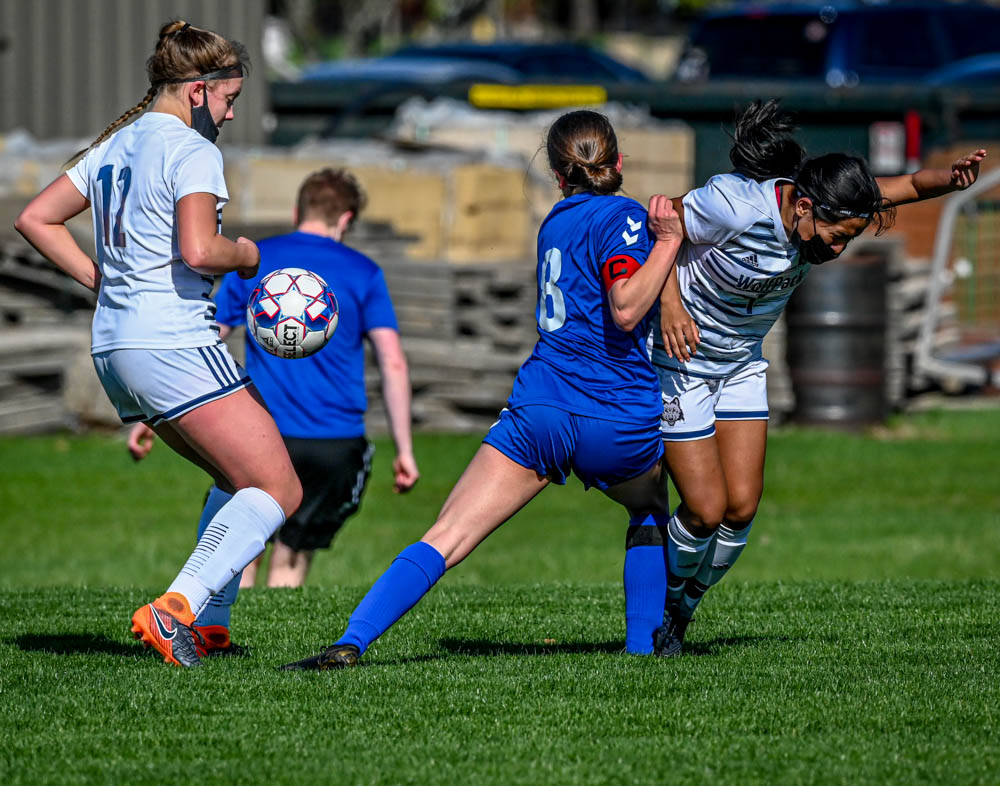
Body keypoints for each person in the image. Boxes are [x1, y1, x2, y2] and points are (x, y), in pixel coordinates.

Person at [281, 109, 686, 670]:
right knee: (649, 506)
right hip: (614, 415)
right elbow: (624, 307)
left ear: (555, 172)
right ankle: (643, 650)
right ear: (618, 162)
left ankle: (351, 641)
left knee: (446, 535)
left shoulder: (555, 222)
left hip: (540, 409)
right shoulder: (624, 216)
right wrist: (668, 242)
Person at [646, 100, 986, 656]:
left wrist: (950, 178)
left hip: (740, 366)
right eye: (833, 235)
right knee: (705, 509)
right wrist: (668, 304)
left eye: (849, 238)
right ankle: (660, 609)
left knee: (741, 509)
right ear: (802, 206)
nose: (836, 247)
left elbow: (906, 187)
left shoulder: (831, 210)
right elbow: (654, 225)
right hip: (680, 364)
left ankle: (679, 617)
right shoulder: (735, 205)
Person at [14, 20, 302, 668]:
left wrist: (102, 279)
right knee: (280, 489)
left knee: (240, 475)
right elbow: (200, 250)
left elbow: (35, 217)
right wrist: (249, 253)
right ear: (198, 91)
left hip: (116, 343)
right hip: (170, 340)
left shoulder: (117, 144)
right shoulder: (192, 149)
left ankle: (212, 621)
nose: (230, 114)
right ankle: (176, 610)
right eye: (229, 99)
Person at [127, 168, 419, 646]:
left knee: (242, 539)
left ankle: (213, 626)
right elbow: (392, 362)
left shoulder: (259, 260)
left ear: (296, 211)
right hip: (335, 439)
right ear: (345, 219)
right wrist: (405, 450)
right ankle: (228, 624)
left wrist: (151, 413)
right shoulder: (363, 270)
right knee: (293, 556)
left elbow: (209, 336)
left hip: (259, 428)